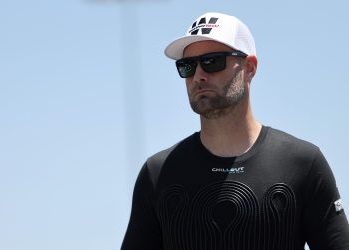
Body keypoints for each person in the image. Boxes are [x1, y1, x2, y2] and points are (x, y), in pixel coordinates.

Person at [121, 12, 349, 250]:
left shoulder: (303, 163)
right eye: (187, 66)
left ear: (249, 68)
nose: (198, 76)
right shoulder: (158, 172)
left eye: (212, 61)